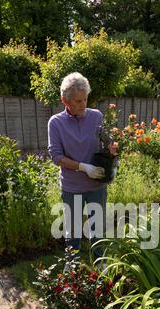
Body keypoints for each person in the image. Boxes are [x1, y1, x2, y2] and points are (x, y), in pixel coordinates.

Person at [48, 72, 114, 263]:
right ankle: (72, 266)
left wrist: (112, 156)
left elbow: (106, 144)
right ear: (64, 101)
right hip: (72, 186)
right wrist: (83, 167)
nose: (83, 105)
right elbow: (56, 156)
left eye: (85, 99)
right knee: (73, 230)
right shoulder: (56, 123)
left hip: (96, 186)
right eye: (77, 101)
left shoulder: (96, 117)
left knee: (97, 228)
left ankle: (100, 263)